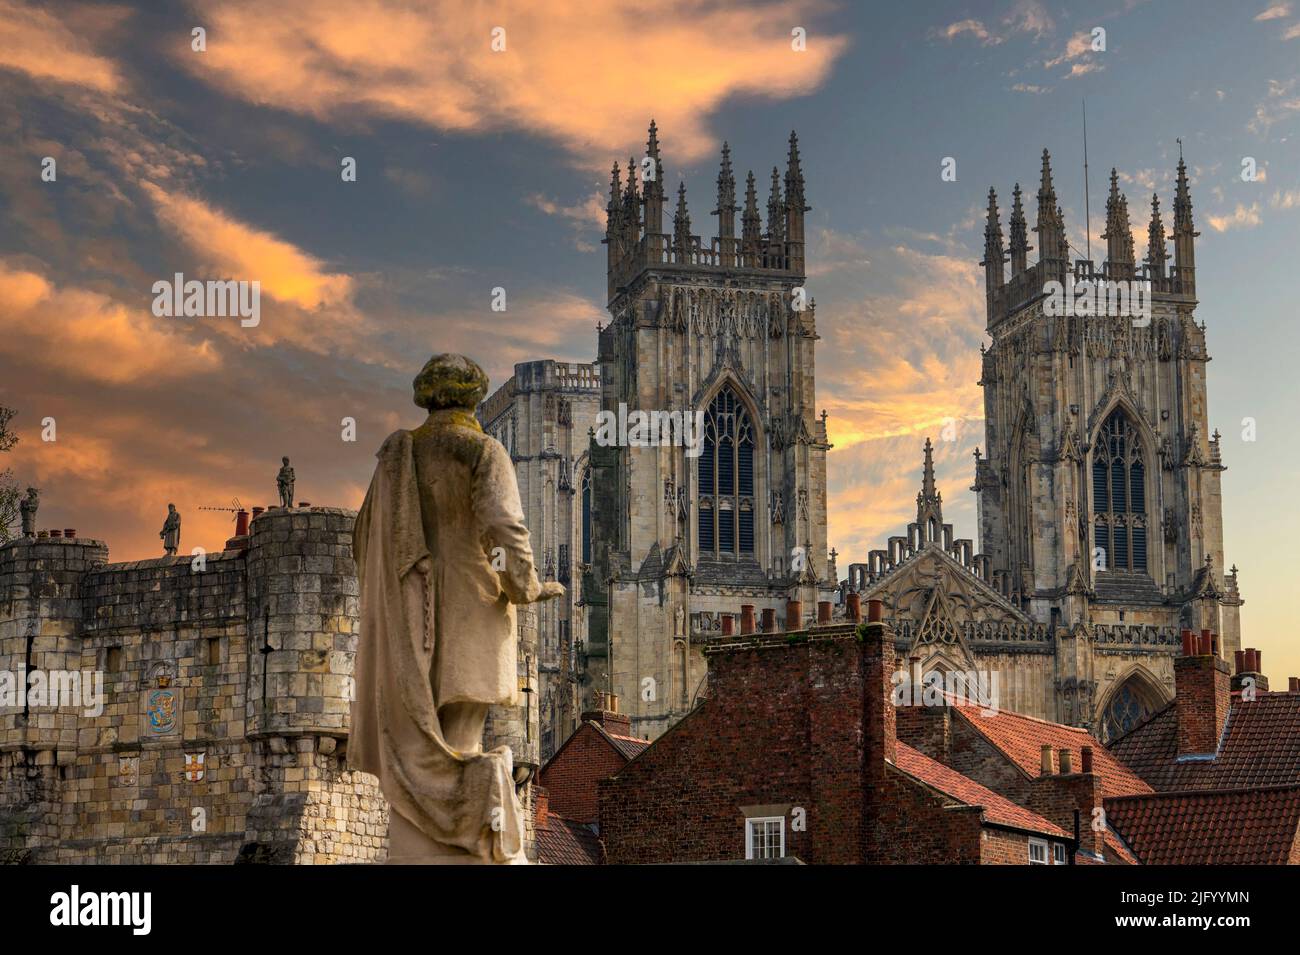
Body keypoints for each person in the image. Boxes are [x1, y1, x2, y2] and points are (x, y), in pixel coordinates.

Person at [349, 353, 562, 864]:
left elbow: (364, 538)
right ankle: (468, 841)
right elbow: (505, 529)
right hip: (474, 611)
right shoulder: (481, 451)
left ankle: (423, 843)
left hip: (411, 612)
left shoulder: (396, 460)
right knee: (463, 736)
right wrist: (527, 586)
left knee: (426, 737)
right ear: (473, 396)